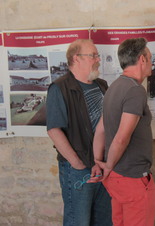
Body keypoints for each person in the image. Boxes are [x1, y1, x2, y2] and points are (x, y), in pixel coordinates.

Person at [89, 38, 155, 226]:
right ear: (142, 59)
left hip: (117, 177)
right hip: (132, 177)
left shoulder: (115, 86)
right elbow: (122, 137)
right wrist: (107, 166)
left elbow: (100, 130)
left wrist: (98, 161)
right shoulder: (135, 90)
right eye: (150, 58)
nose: (152, 62)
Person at [46, 39, 112, 226]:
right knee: (78, 221)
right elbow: (54, 129)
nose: (98, 59)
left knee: (104, 220)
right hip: (79, 169)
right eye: (93, 55)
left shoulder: (102, 85)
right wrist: (76, 163)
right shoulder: (60, 88)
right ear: (77, 58)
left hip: (103, 166)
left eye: (97, 55)